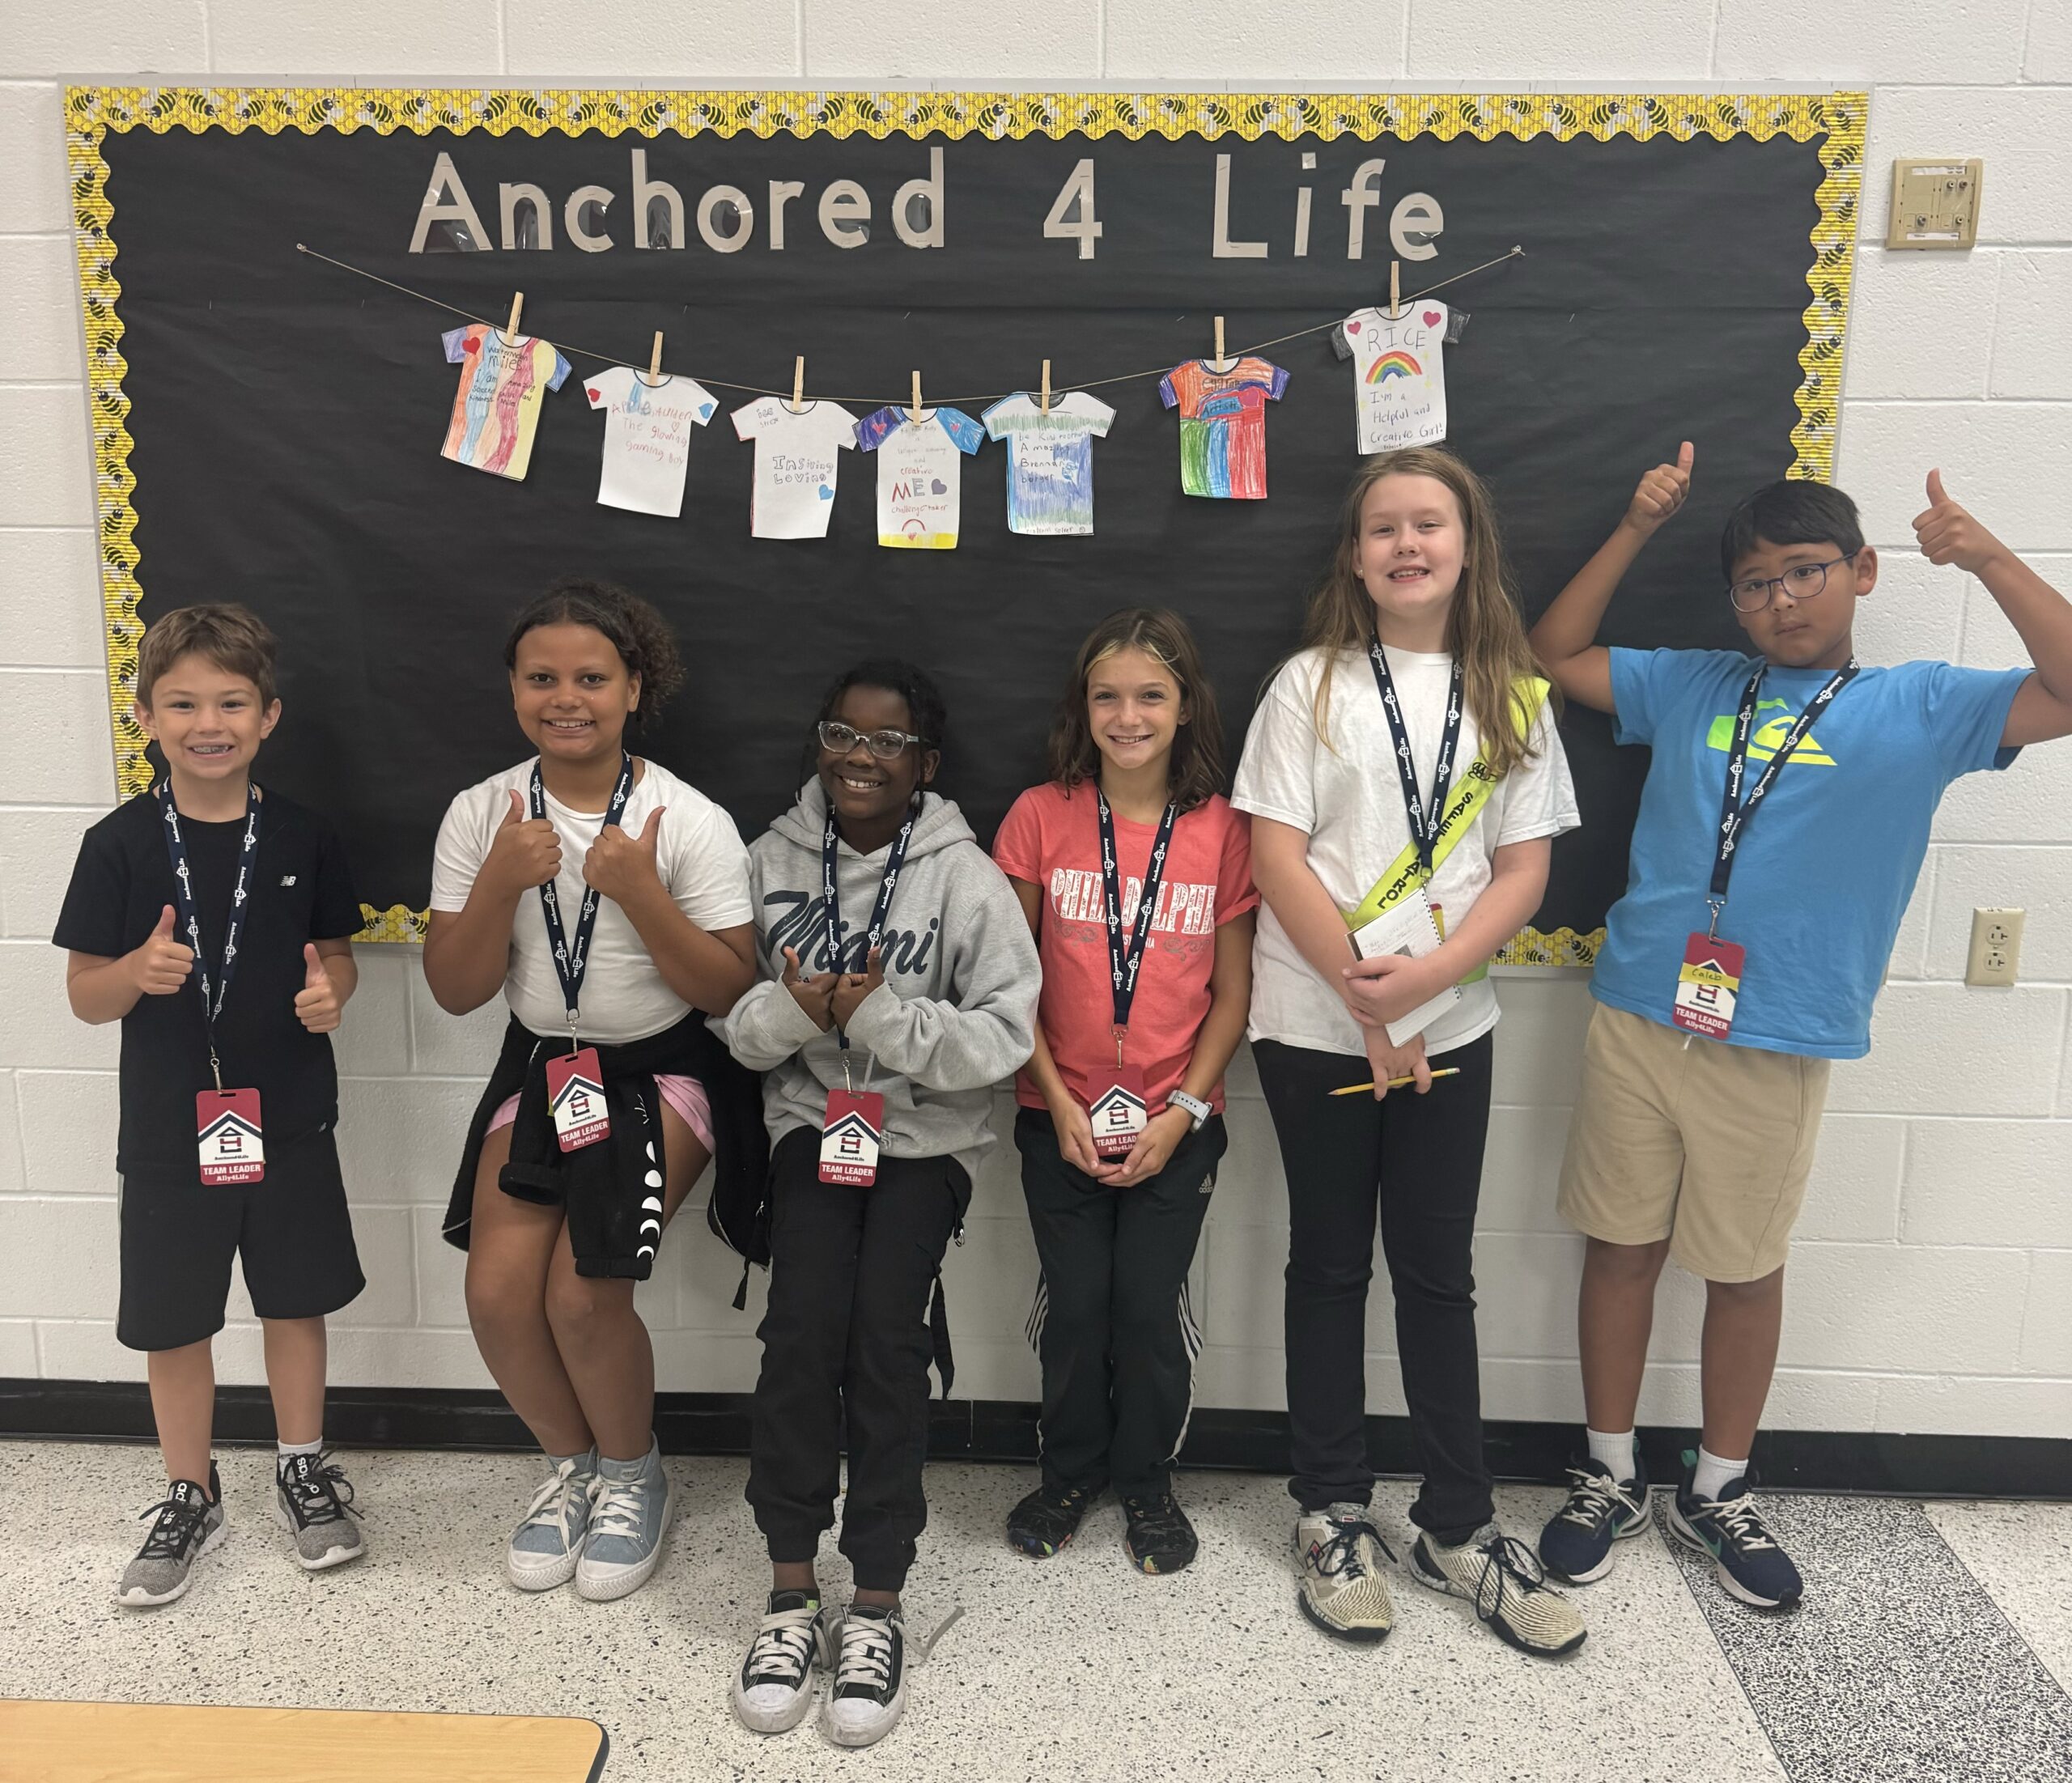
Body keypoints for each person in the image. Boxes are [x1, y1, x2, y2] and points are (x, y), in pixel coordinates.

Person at [1529, 452, 2072, 1609]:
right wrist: (1632, 524)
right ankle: (1609, 1472)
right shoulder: (1693, 684)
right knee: (1618, 1247)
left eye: (1805, 571)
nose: (1781, 599)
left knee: (1741, 1269)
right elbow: (1554, 653)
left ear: (1863, 571)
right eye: (1755, 583)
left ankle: (1719, 1487)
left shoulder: (1923, 705)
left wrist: (1985, 556)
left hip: (1777, 1034)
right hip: (1639, 1011)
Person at [1234, 448, 1587, 1657]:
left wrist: (1431, 984)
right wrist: (1372, 1009)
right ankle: (1332, 1509)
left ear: (1467, 546)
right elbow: (1275, 854)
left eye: (1428, 524)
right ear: (1354, 556)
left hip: (1455, 1021)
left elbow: (1524, 868)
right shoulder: (1308, 684)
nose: (1406, 544)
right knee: (1330, 1263)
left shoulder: (1514, 695)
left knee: (1437, 1272)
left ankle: (1457, 1523)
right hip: (1314, 1022)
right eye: (1383, 527)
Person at [718, 660, 1038, 1748]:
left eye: (888, 741)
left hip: (925, 1140)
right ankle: (788, 1593)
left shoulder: (968, 879)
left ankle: (878, 1601)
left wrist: (885, 1021)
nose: (861, 756)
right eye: (842, 734)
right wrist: (797, 1009)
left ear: (926, 763)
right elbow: (730, 1024)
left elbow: (1006, 1036)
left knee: (885, 1344)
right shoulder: (768, 862)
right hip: (812, 1125)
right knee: (801, 1332)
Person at [426, 578, 760, 1603]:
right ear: (513, 688)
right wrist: (498, 881)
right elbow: (455, 989)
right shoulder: (482, 812)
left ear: (634, 688)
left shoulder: (686, 818)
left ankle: (632, 1474)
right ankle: (573, 1468)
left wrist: (641, 892)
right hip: (544, 1064)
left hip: (665, 1066)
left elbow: (728, 991)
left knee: (582, 1292)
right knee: (495, 1292)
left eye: (590, 678)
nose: (565, 698)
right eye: (542, 678)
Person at [57, 603, 368, 1606]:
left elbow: (338, 956)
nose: (209, 723)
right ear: (146, 716)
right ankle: (190, 1491)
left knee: (295, 1299)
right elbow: (83, 993)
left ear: (268, 716)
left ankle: (302, 1467)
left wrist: (332, 993)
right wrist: (134, 974)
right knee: (173, 1319)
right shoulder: (117, 844)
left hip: (290, 1115)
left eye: (232, 702)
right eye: (184, 703)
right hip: (167, 1129)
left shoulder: (304, 834)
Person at [992, 608, 1256, 1573]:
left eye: (1150, 695)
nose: (1128, 715)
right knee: (1075, 1308)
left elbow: (1234, 994)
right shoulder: (1038, 815)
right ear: (1083, 706)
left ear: (1185, 707)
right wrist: (1057, 1102)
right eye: (1107, 695)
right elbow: (1007, 981)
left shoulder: (1223, 829)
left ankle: (1146, 1481)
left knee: (1146, 1311)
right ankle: (1068, 1473)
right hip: (1053, 1114)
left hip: (1177, 1122)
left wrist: (1182, 1112)